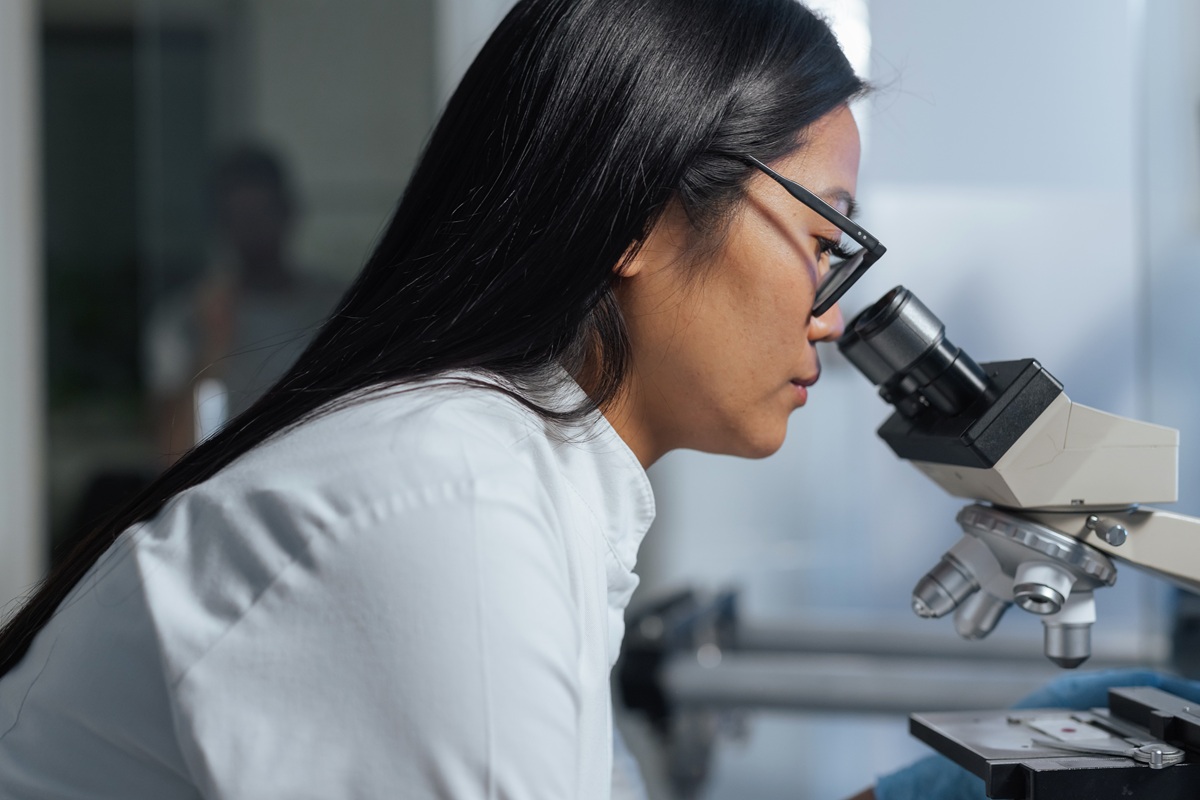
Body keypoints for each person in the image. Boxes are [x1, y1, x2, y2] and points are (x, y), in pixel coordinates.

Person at [0, 1, 1190, 798]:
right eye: (824, 238)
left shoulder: (530, 481)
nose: (832, 309)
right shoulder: (442, 506)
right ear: (636, 210)